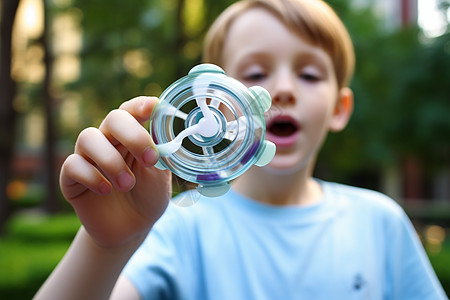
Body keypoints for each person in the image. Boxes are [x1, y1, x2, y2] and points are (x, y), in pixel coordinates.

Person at [35, 0, 447, 299]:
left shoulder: (381, 224)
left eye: (307, 73)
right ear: (212, 102)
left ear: (340, 108)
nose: (283, 89)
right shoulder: (177, 227)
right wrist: (104, 246)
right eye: (255, 72)